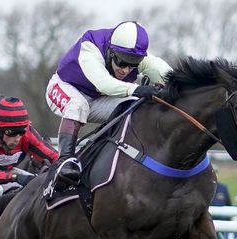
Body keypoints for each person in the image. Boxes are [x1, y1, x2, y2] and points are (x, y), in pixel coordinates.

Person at [45, 21, 172, 189]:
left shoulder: (137, 57)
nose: (126, 70)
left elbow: (167, 73)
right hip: (64, 88)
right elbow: (103, 83)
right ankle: (64, 162)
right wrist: (139, 88)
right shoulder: (90, 47)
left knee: (136, 107)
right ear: (111, 51)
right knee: (78, 105)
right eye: (121, 62)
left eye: (133, 64)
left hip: (98, 98)